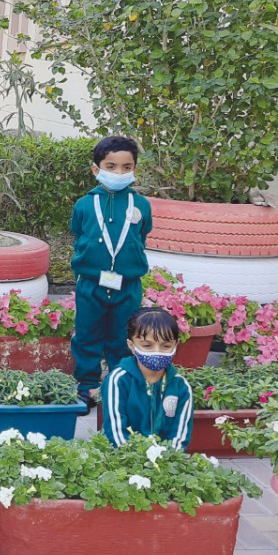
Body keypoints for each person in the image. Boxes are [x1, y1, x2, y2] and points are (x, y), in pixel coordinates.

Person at [70, 135, 154, 409]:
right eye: (111, 166)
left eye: (126, 167)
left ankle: (120, 385)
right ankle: (87, 385)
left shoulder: (140, 205)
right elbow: (79, 234)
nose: (119, 173)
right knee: (87, 335)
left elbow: (141, 237)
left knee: (123, 336)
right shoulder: (84, 204)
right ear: (96, 169)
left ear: (134, 170)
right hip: (91, 284)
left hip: (127, 285)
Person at [101, 307, 194, 449]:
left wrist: (165, 460)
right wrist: (136, 460)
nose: (157, 351)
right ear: (131, 345)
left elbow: (180, 436)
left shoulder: (181, 386)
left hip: (165, 462)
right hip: (123, 458)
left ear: (176, 345)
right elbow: (115, 430)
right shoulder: (118, 380)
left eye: (166, 345)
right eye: (147, 345)